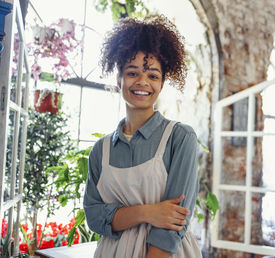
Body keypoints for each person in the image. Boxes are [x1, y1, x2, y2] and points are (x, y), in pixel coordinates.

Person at [83, 15, 202, 258]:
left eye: (153, 75)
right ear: (119, 79)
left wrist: (119, 215)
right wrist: (148, 212)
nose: (142, 82)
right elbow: (94, 218)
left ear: (162, 82)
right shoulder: (101, 149)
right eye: (132, 72)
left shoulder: (180, 138)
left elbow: (174, 224)